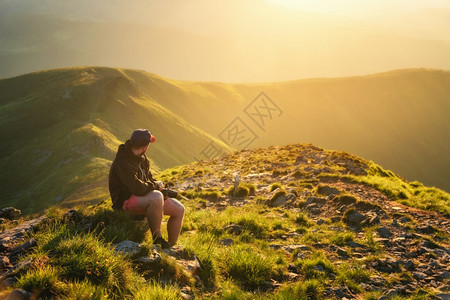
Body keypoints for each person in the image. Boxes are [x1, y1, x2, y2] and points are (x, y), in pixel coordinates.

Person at [109, 129, 185, 248]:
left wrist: (158, 186)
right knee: (156, 197)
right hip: (124, 203)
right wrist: (155, 187)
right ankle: (157, 238)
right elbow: (137, 188)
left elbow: (148, 179)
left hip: (143, 198)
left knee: (179, 208)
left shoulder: (142, 158)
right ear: (145, 146)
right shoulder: (123, 163)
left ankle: (171, 247)